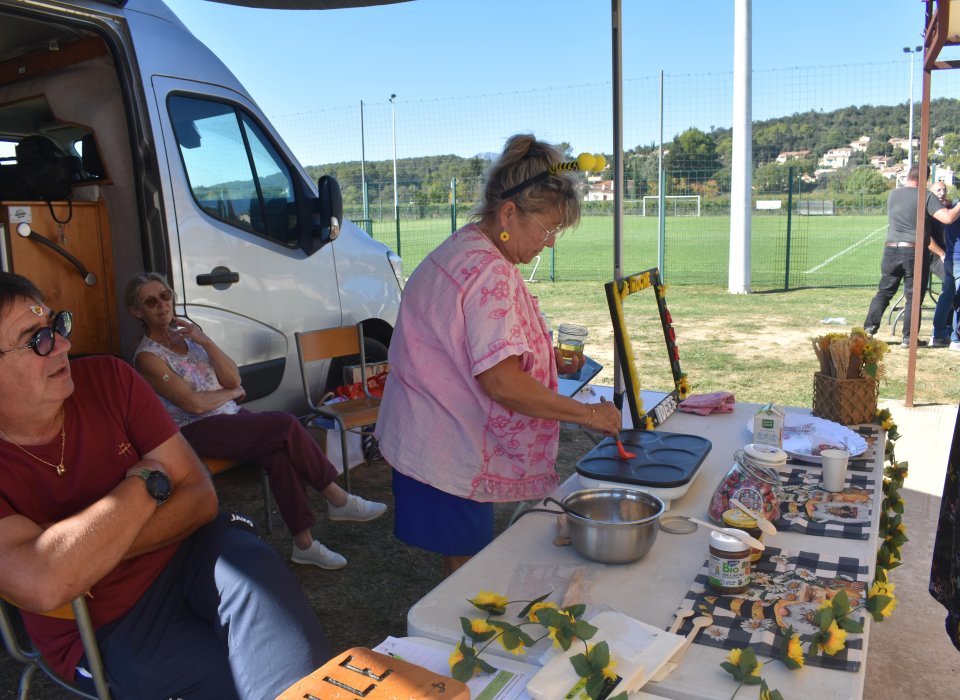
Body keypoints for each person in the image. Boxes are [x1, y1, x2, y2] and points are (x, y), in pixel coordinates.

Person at [0, 271, 331, 699]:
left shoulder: (108, 379)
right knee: (221, 677)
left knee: (264, 594)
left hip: (197, 553)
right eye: (35, 339)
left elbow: (200, 497)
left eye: (56, 326)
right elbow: (44, 583)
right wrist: (145, 480)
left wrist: (85, 558)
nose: (62, 344)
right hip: (101, 622)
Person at [375, 134, 622, 578]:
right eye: (547, 230)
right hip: (449, 441)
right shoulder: (491, 271)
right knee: (466, 578)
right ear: (509, 213)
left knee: (464, 563)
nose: (549, 244)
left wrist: (544, 357)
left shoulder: (468, 246)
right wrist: (587, 415)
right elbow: (502, 382)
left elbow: (473, 341)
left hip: (428, 428)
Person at [125, 272, 386, 571]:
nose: (162, 305)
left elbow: (233, 377)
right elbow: (194, 404)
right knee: (286, 425)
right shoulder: (148, 356)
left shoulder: (190, 338)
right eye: (150, 301)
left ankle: (304, 545)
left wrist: (205, 340)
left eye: (165, 295)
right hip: (192, 431)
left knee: (277, 453)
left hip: (228, 416)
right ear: (137, 311)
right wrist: (232, 393)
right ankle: (336, 497)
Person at [863, 165, 960, 347]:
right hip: (914, 251)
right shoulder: (925, 195)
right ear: (926, 179)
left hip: (891, 249)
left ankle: (868, 329)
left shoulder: (893, 195)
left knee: (884, 292)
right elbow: (947, 218)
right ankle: (908, 338)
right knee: (914, 297)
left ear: (908, 176)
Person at [930, 181, 959, 347]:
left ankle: (940, 333)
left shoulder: (949, 208)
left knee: (948, 295)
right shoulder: (941, 211)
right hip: (942, 256)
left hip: (948, 257)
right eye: (938, 190)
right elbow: (926, 239)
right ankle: (954, 337)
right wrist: (940, 252)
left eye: (944, 189)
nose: (942, 193)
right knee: (953, 295)